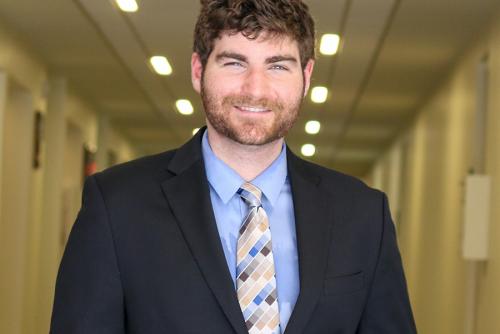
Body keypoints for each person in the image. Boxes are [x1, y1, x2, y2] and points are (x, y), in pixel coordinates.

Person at [50, 0, 417, 333]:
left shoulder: (364, 215)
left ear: (306, 76)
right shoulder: (117, 205)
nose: (255, 89)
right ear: (198, 70)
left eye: (277, 66)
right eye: (234, 62)